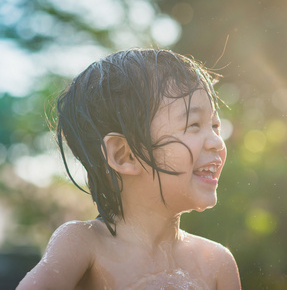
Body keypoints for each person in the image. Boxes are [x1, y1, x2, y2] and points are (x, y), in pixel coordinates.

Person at [17, 48, 241, 289]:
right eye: (194, 124)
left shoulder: (216, 263)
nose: (217, 141)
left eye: (215, 125)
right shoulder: (85, 245)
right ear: (124, 155)